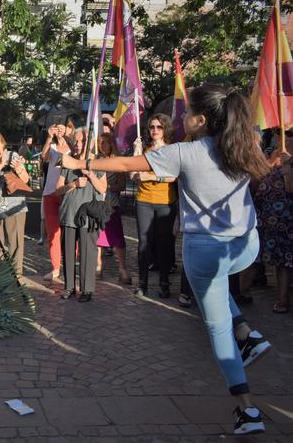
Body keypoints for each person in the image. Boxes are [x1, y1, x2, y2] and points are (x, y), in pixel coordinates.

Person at [60, 84, 272, 434]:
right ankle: (248, 333)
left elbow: (127, 163)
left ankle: (247, 409)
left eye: (187, 113)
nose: (181, 118)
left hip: (206, 250)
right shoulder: (245, 144)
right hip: (247, 246)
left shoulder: (185, 152)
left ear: (201, 120)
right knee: (217, 291)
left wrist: (80, 162)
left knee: (217, 327)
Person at [55, 127, 107, 302]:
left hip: (89, 217)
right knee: (68, 253)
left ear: (90, 143)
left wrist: (91, 174)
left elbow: (102, 188)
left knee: (88, 253)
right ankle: (69, 287)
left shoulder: (99, 162)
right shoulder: (68, 161)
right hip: (69, 213)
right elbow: (57, 190)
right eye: (76, 141)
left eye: (82, 141)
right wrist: (74, 184)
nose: (78, 145)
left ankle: (87, 290)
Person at [129, 113, 178, 298]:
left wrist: (152, 176)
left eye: (159, 127)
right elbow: (132, 175)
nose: (155, 130)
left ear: (165, 128)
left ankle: (164, 283)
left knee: (164, 243)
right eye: (152, 127)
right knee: (144, 243)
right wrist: (136, 151)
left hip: (166, 202)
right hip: (144, 201)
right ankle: (143, 283)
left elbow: (174, 176)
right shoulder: (144, 149)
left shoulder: (172, 150)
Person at [255, 127, 292, 313]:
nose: (282, 137)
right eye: (280, 132)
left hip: (288, 218)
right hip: (274, 220)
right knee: (282, 262)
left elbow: (290, 187)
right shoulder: (275, 152)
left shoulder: (288, 160)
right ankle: (283, 298)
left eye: (289, 134)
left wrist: (287, 167)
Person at [0, 130, 30, 276]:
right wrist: (0, 165)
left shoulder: (13, 156)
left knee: (15, 242)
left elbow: (26, 179)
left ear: (3, 143)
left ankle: (16, 276)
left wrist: (18, 168)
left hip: (14, 206)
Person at [95, 132, 131, 284]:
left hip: (112, 204)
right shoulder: (95, 161)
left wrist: (107, 186)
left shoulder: (117, 161)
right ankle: (98, 265)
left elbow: (122, 185)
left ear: (111, 144)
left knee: (117, 239)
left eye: (106, 142)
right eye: (100, 142)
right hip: (97, 204)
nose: (103, 145)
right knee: (97, 237)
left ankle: (122, 269)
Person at [40, 124, 71, 283]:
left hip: (68, 193)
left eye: (63, 128)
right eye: (57, 128)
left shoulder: (74, 147)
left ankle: (71, 266)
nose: (59, 130)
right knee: (53, 233)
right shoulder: (51, 147)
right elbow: (44, 157)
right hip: (50, 193)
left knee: (71, 232)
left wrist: (66, 138)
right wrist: (49, 137)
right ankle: (56, 268)